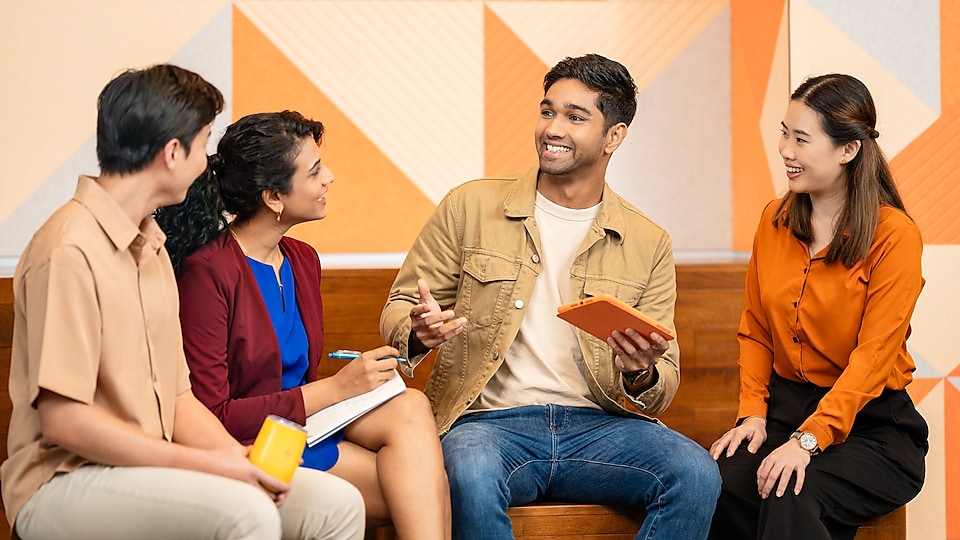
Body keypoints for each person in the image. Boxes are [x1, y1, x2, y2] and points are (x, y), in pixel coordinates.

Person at [0, 65, 365, 540]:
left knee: (336, 505)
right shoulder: (68, 250)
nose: (207, 167)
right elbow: (64, 420)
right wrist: (207, 463)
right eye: (203, 142)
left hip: (153, 468)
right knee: (246, 512)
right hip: (63, 481)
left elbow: (178, 399)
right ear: (173, 153)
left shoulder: (151, 248)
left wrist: (238, 460)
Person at [380, 54, 721, 540]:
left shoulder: (648, 241)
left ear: (614, 136)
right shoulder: (469, 206)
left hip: (601, 428)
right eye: (548, 111)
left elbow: (664, 376)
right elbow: (397, 309)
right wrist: (417, 330)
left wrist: (640, 371)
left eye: (575, 117)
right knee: (468, 473)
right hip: (489, 424)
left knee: (696, 473)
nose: (552, 128)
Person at [156, 110, 451, 539]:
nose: (328, 177)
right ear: (273, 197)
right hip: (245, 443)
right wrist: (337, 387)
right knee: (429, 489)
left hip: (303, 426)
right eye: (314, 171)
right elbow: (211, 415)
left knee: (409, 408)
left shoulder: (302, 259)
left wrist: (354, 383)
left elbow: (297, 377)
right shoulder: (209, 271)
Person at [707, 74, 928, 540]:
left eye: (801, 138)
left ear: (848, 150)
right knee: (717, 481)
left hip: (873, 427)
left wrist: (808, 441)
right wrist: (753, 413)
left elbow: (873, 359)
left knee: (791, 488)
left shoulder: (895, 236)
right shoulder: (774, 220)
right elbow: (756, 329)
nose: (786, 150)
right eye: (784, 133)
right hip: (785, 409)